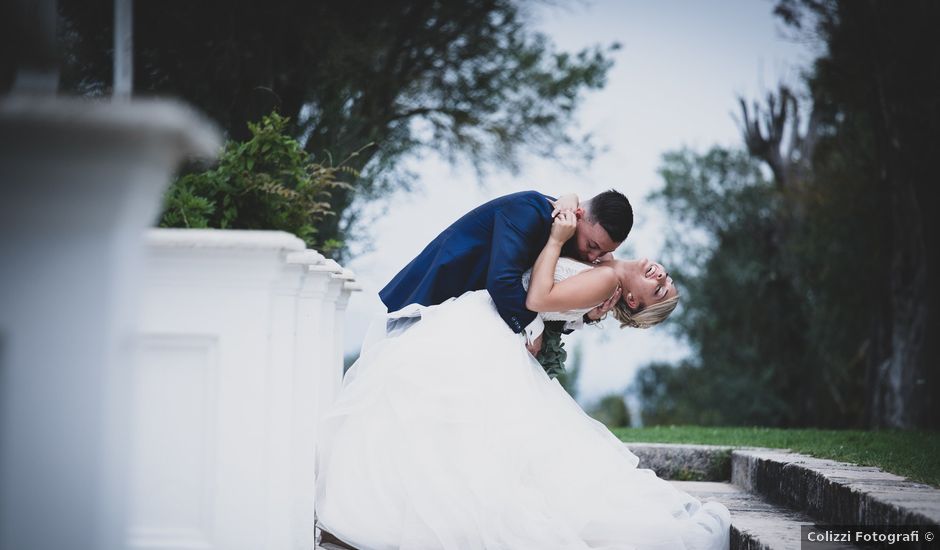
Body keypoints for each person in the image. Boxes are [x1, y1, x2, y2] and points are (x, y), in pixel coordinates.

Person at [315, 208, 731, 550]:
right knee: (446, 426)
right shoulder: (602, 264)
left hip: (487, 324)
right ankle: (397, 513)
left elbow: (538, 299)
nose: (661, 277)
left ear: (635, 300)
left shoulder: (607, 278)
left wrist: (553, 242)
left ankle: (380, 513)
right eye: (666, 279)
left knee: (430, 415)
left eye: (660, 290)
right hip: (488, 322)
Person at [379, 189, 633, 356]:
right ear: (578, 215)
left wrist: (585, 315)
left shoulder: (568, 233)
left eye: (601, 254)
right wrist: (532, 327)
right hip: (438, 295)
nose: (592, 258)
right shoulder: (530, 210)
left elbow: (543, 296)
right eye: (592, 246)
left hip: (474, 322)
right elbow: (502, 280)